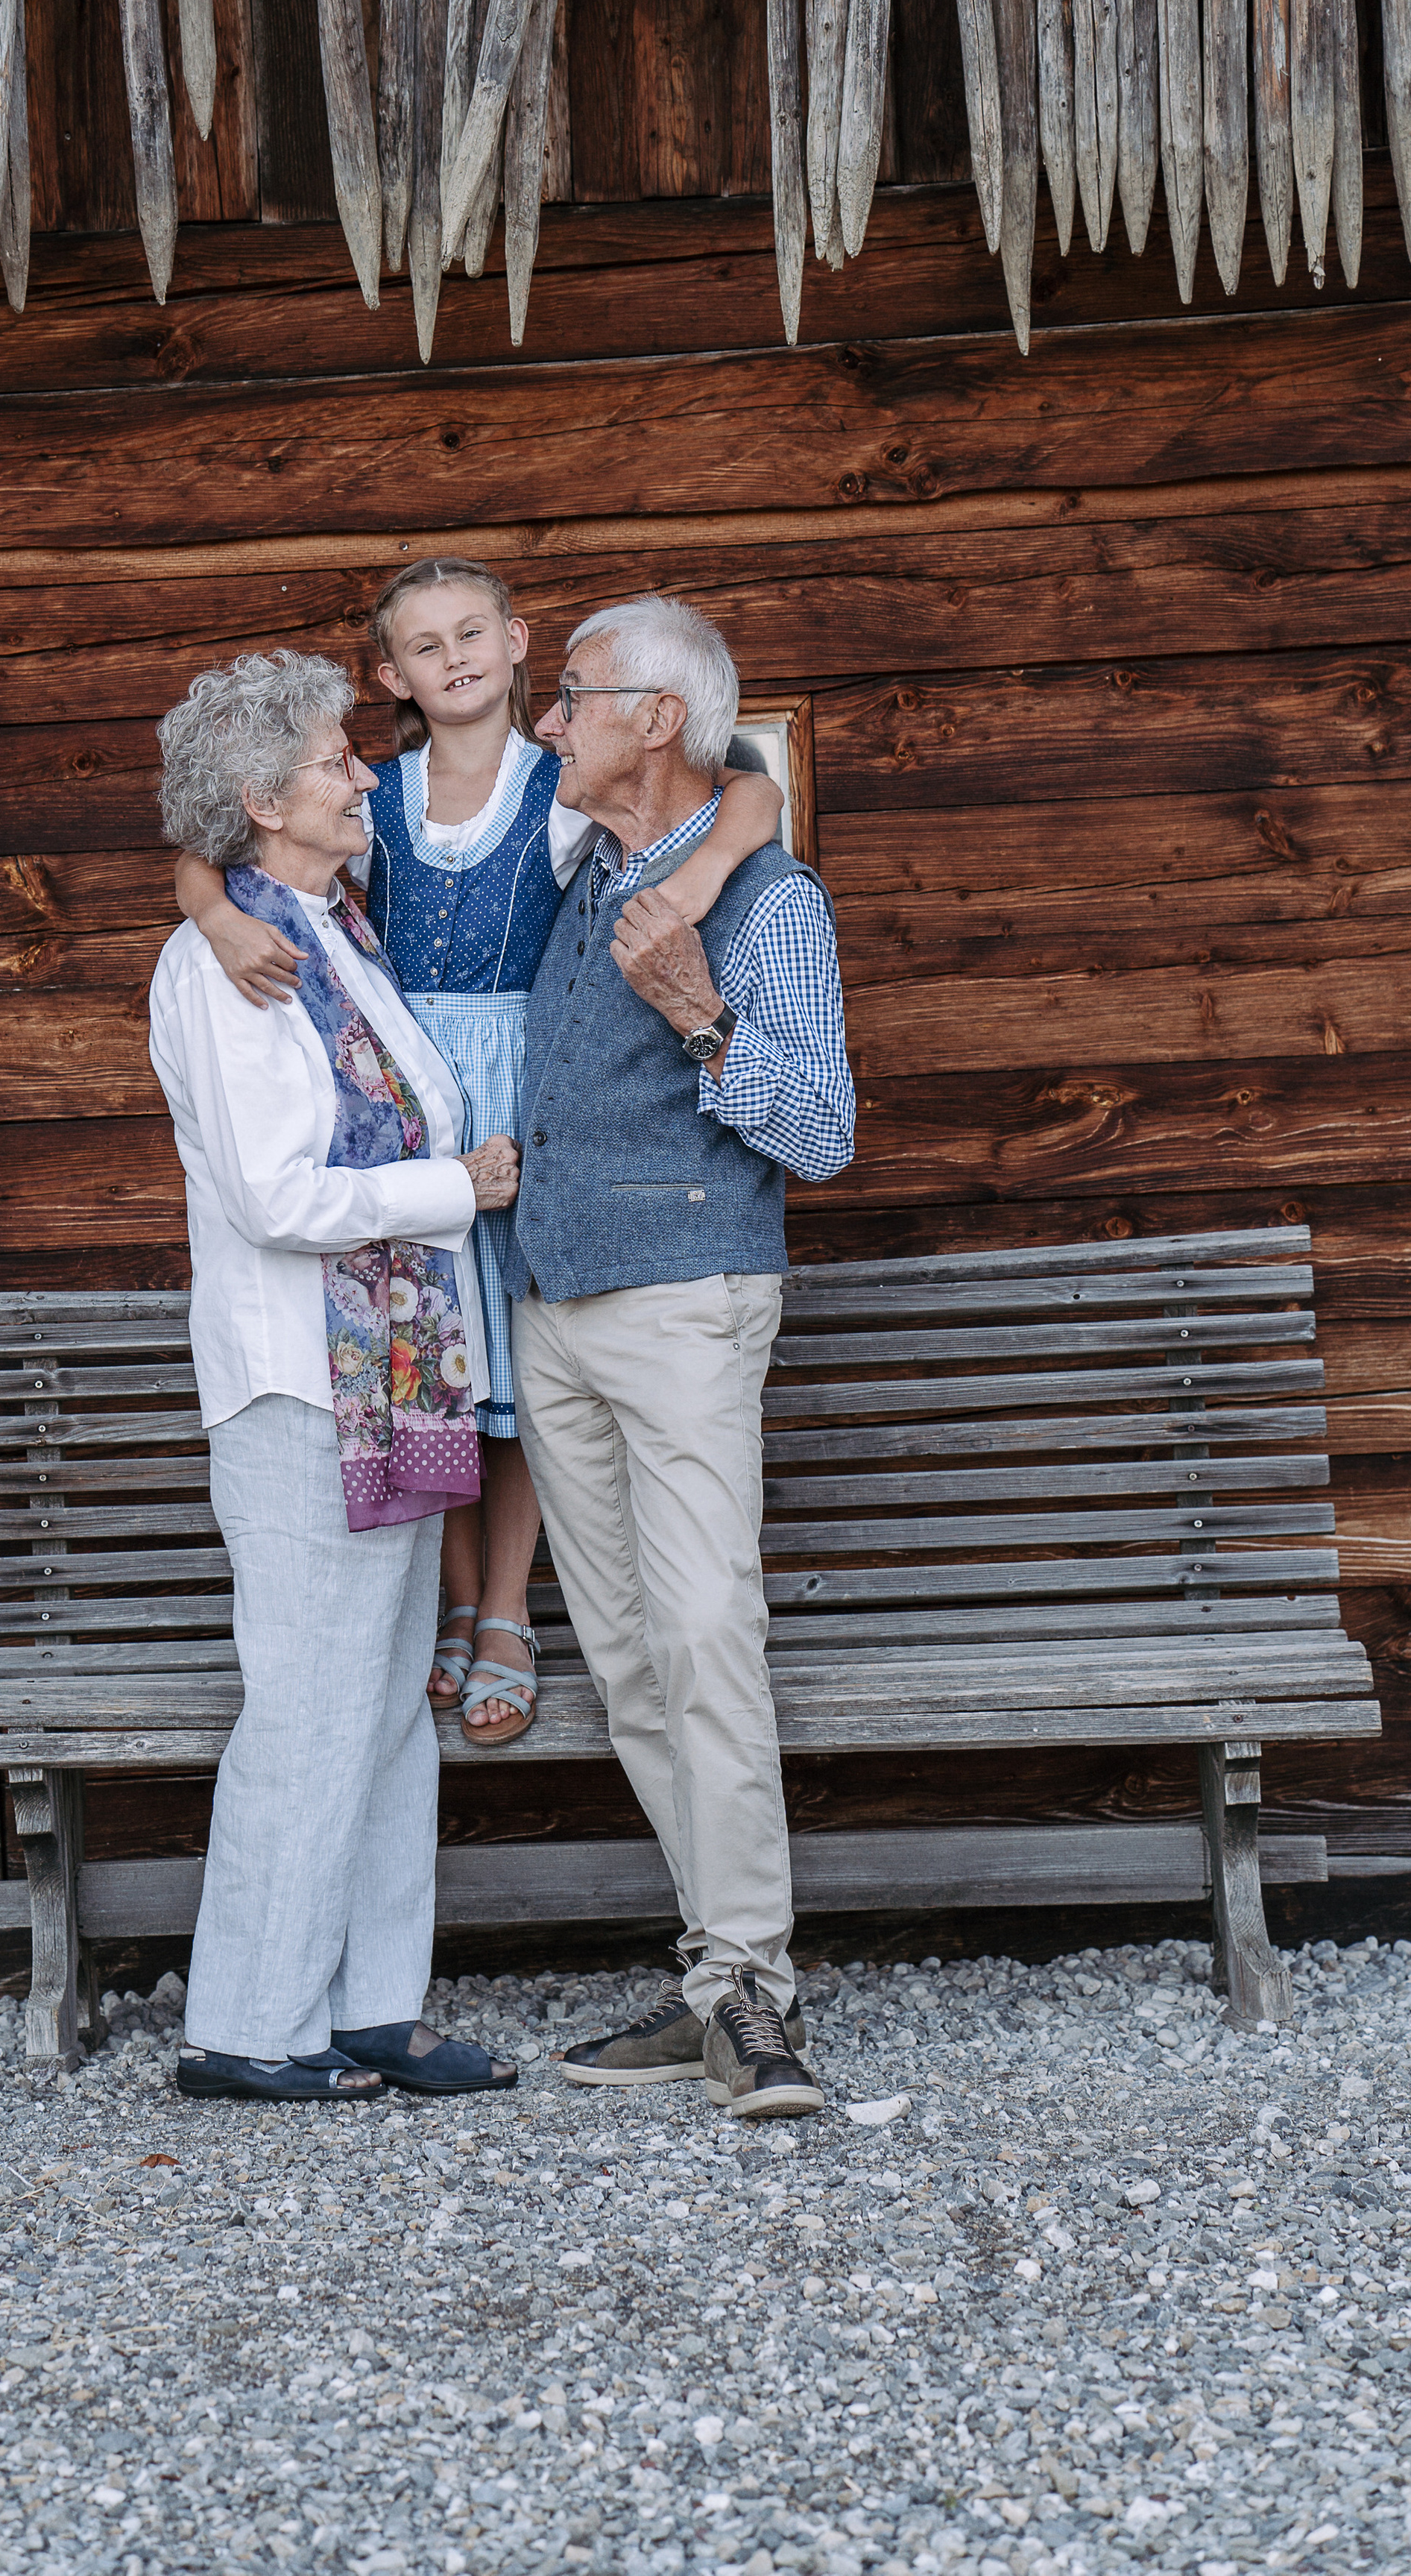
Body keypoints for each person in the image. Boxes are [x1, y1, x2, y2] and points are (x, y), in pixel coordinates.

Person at [172, 557, 785, 1747]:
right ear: (389, 674)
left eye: (471, 634)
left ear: (515, 644)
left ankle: (505, 1607)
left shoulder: (561, 783)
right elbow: (213, 844)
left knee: (521, 1356)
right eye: (422, 644)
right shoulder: (366, 796)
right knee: (439, 1339)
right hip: (411, 1087)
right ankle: (457, 1598)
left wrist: (708, 869)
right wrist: (213, 912)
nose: (451, 659)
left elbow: (746, 787)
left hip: (527, 1082)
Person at [148, 648, 524, 2103]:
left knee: (377, 1709)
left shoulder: (325, 930)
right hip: (301, 1388)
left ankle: (371, 2002)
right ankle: (245, 2022)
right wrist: (454, 1189)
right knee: (307, 1707)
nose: (360, 773)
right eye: (330, 761)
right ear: (258, 797)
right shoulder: (228, 962)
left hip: (386, 1381)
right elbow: (274, 1198)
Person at [508, 597, 856, 2124]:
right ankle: (717, 1970)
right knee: (630, 1659)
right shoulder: (578, 860)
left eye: (569, 696)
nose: (545, 721)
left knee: (705, 1634)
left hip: (687, 1298)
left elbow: (824, 1134)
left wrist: (704, 1020)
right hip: (558, 1305)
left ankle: (759, 1993)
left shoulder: (769, 904)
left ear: (653, 716)